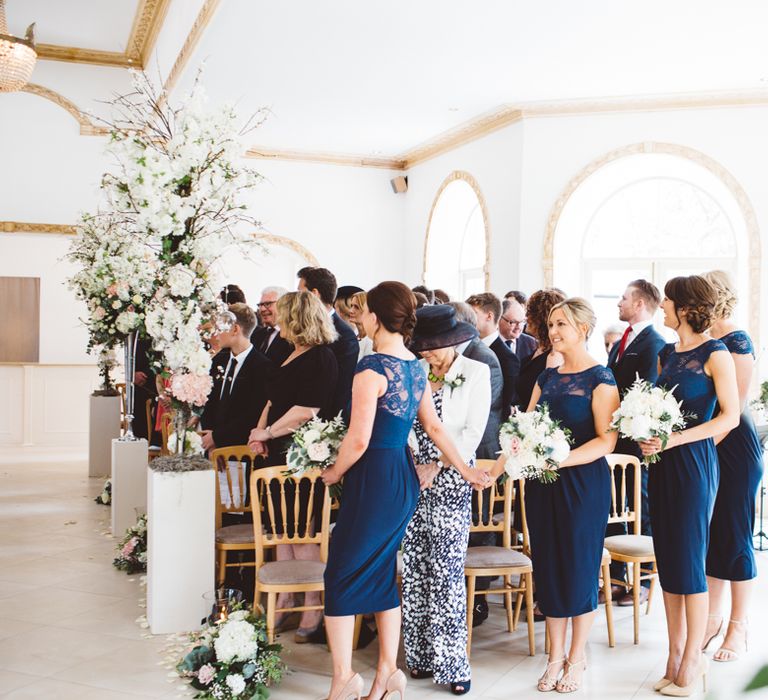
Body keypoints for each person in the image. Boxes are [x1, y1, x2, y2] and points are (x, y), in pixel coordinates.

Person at [320, 282, 490, 700]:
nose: (357, 318)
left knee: (340, 573)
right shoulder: (416, 368)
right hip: (403, 480)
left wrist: (332, 472)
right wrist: (467, 472)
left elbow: (358, 441)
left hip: (373, 476)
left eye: (361, 312)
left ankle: (343, 679)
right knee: (380, 574)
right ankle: (387, 673)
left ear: (375, 316)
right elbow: (434, 427)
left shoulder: (372, 368)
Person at [491, 297, 619, 693]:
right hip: (541, 487)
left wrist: (558, 461)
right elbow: (523, 432)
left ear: (583, 329)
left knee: (579, 570)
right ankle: (554, 656)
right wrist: (493, 471)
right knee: (547, 568)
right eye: (550, 324)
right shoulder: (546, 378)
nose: (553, 331)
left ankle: (577, 659)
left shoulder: (601, 379)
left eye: (561, 324)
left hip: (583, 486)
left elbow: (607, 441)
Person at [639, 275, 739, 696]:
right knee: (670, 559)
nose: (662, 305)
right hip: (662, 464)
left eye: (667, 300)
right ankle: (674, 652)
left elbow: (730, 417)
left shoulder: (717, 353)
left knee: (691, 558)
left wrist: (675, 439)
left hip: (694, 463)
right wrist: (648, 434)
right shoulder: (666, 354)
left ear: (685, 306)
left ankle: (694, 658)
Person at [402, 305, 491, 695]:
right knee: (415, 567)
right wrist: (412, 466)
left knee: (447, 572)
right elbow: (406, 424)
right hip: (412, 482)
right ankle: (418, 657)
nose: (430, 355)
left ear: (455, 342)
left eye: (436, 348)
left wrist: (437, 464)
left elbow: (473, 432)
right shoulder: (417, 372)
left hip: (453, 480)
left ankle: (453, 664)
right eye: (424, 348)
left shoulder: (476, 373)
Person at [247, 291, 339, 643]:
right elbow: (274, 400)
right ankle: (286, 595)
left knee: (302, 530)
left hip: (302, 454)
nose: (276, 320)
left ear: (297, 318)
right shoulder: (289, 352)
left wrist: (269, 432)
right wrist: (260, 433)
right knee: (279, 529)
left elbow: (306, 410)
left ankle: (313, 601)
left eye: (282, 314)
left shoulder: (321, 358)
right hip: (277, 449)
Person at [701, 270, 764, 663]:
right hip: (712, 446)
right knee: (713, 535)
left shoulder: (737, 341)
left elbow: (734, 408)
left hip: (735, 449)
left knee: (735, 535)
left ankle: (739, 627)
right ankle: (712, 619)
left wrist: (701, 449)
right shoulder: (707, 342)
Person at [605, 280, 666, 606]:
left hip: (638, 441)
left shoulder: (654, 343)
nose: (619, 302)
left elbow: (647, 393)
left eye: (624, 297)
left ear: (640, 303)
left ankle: (642, 581)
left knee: (640, 508)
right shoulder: (619, 344)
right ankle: (614, 579)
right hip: (615, 441)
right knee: (613, 507)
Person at [447, 300, 503, 627]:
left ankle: (478, 600)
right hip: (451, 452)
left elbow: (479, 415)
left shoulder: (484, 359)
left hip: (478, 448)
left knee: (478, 529)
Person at [200, 303, 273, 451]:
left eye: (220, 328)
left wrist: (218, 438)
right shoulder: (219, 359)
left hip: (240, 449)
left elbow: (253, 414)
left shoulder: (262, 367)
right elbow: (210, 399)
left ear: (235, 329)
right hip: (211, 446)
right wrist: (209, 437)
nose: (216, 333)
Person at [297, 267, 359, 417]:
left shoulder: (345, 336)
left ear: (314, 294)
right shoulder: (298, 328)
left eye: (300, 293)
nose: (297, 299)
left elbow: (341, 391)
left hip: (319, 425)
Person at [466, 292, 520, 417]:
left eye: (474, 314)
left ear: (489, 316)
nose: (469, 320)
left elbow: (504, 406)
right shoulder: (468, 347)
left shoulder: (507, 358)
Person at [515, 288, 566, 410]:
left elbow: (547, 403)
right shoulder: (536, 347)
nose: (526, 318)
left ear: (541, 318)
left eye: (529, 313)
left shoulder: (554, 356)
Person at [251, 286, 293, 365]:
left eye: (268, 304)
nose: (262, 309)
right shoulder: (256, 335)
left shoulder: (292, 337)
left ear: (284, 305)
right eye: (260, 305)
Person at [499, 296, 538, 363]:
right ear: (499, 318)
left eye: (522, 322)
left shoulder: (532, 344)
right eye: (513, 322)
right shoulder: (489, 342)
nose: (519, 327)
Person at [348, 290, 374, 360]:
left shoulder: (372, 342)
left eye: (356, 307)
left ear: (366, 310)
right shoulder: (353, 334)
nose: (350, 310)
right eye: (351, 306)